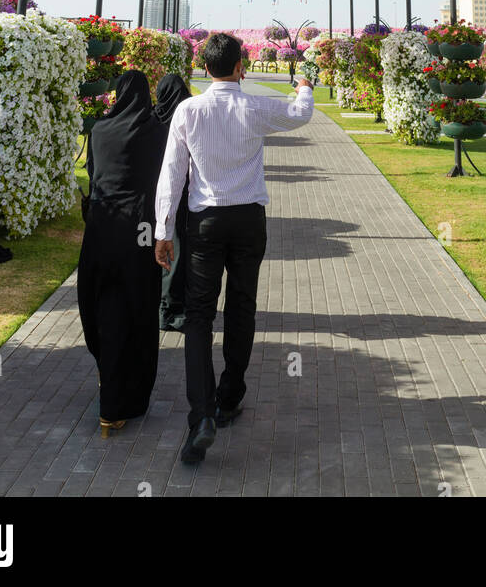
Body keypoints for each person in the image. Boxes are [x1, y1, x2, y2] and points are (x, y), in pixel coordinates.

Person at [155, 32, 314, 466]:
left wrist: (163, 231)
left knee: (199, 314)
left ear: (205, 68)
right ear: (241, 66)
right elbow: (300, 114)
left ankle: (201, 413)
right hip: (248, 220)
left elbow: (171, 174)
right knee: (242, 306)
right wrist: (303, 85)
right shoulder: (255, 105)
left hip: (204, 222)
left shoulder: (189, 109)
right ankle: (229, 396)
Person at [78, 71, 167, 437]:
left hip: (101, 229)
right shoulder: (154, 130)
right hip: (139, 232)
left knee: (101, 304)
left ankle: (109, 382)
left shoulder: (98, 130)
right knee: (138, 311)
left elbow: (94, 176)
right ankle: (125, 397)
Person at [152, 73, 193, 332]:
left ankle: (164, 307)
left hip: (158, 201)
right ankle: (173, 309)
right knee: (177, 254)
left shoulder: (152, 122)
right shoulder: (189, 118)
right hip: (184, 198)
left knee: (166, 254)